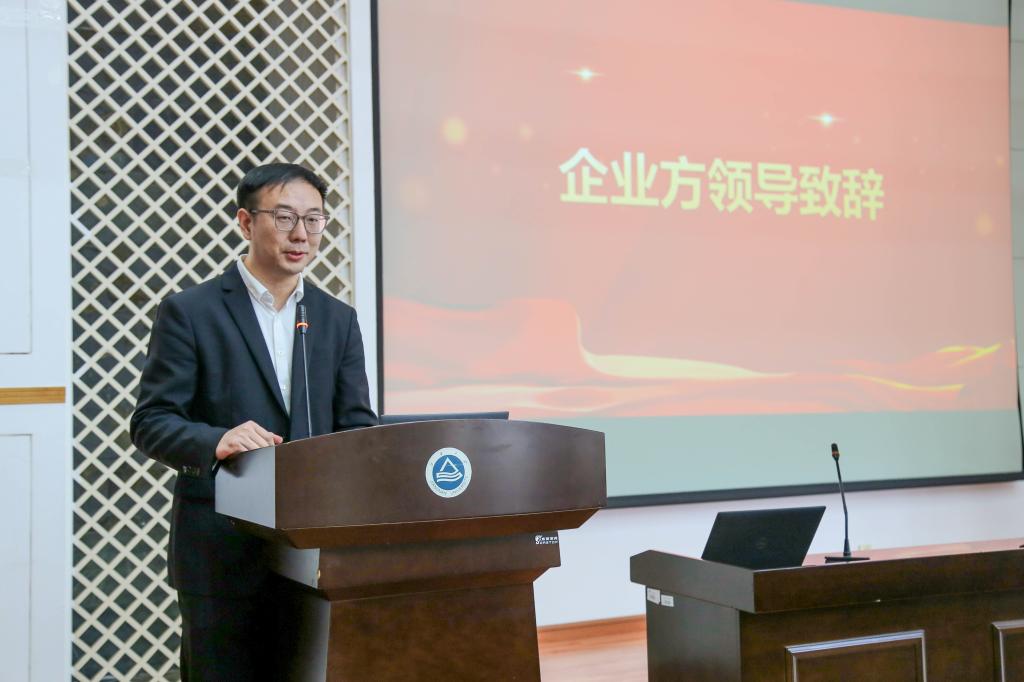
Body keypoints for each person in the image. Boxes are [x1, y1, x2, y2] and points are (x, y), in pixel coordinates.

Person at [130, 163, 377, 681]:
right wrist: (217, 439)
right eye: (284, 217)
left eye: (314, 219)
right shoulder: (190, 311)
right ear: (246, 222)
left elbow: (357, 427)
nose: (301, 234)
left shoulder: (337, 318)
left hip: (314, 552)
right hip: (221, 550)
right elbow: (151, 421)